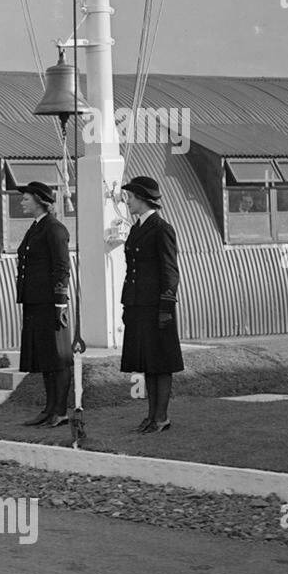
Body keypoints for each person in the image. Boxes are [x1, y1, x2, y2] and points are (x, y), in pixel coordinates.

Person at [120, 176, 183, 433]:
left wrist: (166, 308)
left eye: (131, 198)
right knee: (148, 362)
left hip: (157, 307)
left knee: (161, 363)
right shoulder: (137, 228)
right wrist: (128, 305)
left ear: (143, 199)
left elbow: (170, 271)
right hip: (138, 305)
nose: (128, 202)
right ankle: (151, 416)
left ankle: (161, 417)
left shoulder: (161, 228)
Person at [13, 182, 73, 426]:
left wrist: (60, 302)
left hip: (50, 303)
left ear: (39, 200)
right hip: (35, 302)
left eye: (26, 199)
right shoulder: (36, 227)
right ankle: (50, 409)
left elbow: (62, 267)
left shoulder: (54, 229)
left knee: (58, 357)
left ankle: (60, 410)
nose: (22, 202)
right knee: (46, 357)